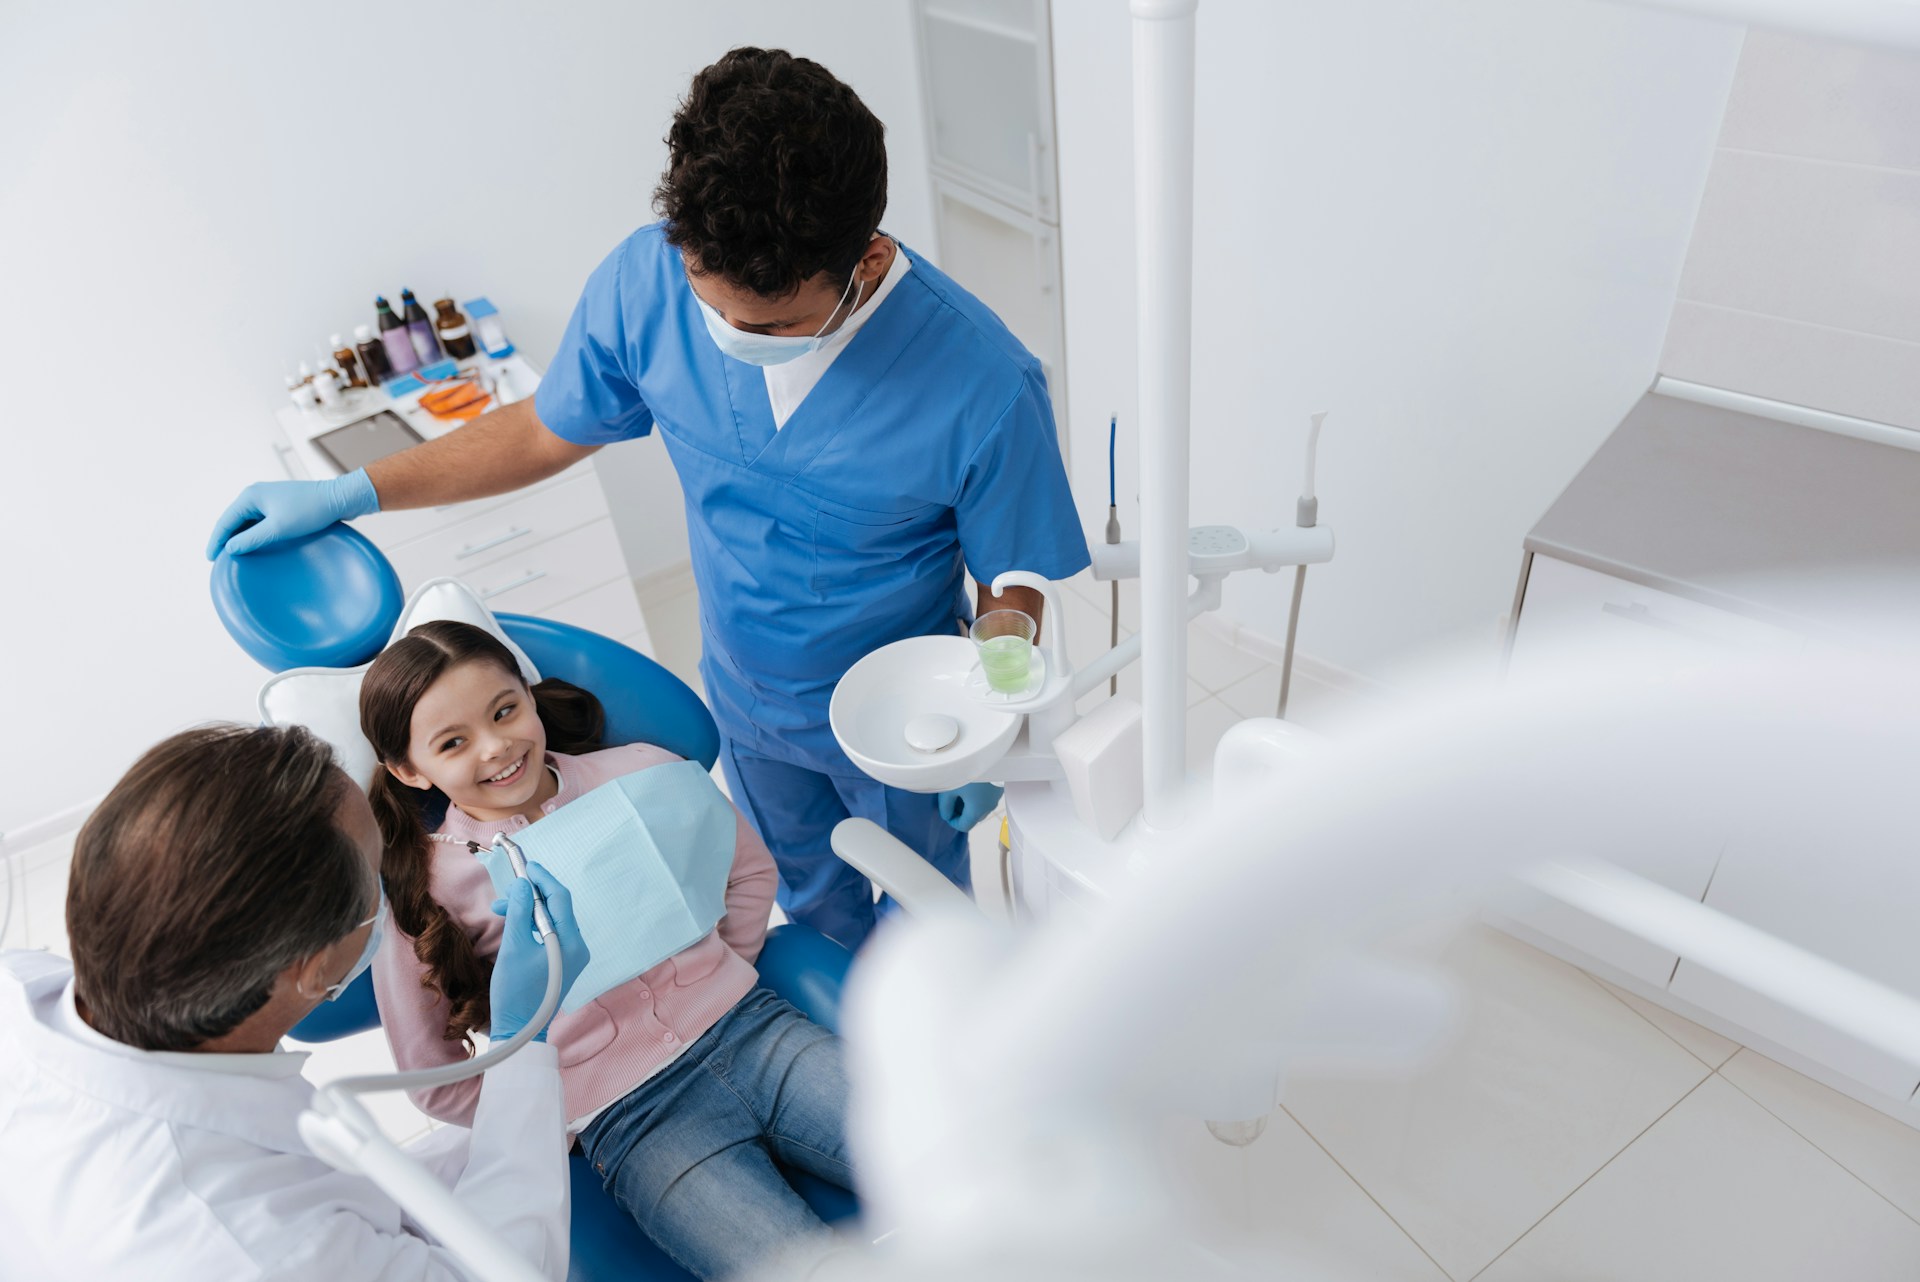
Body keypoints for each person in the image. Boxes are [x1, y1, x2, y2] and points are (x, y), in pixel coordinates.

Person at [207, 46, 1092, 948]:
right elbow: (545, 429)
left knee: (925, 933)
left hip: (903, 724)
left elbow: (1011, 580)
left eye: (772, 324)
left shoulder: (983, 383)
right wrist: (353, 491)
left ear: (864, 261)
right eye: (712, 308)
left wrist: (991, 716)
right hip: (750, 706)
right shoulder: (648, 281)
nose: (730, 338)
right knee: (807, 909)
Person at [0, 723, 591, 1280]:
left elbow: (338, 1195)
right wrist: (519, 1041)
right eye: (377, 874)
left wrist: (502, 1132)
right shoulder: (254, 1248)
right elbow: (501, 1269)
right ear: (312, 970)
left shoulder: (24, 990)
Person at [362, 619, 854, 1281]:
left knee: (965, 1152)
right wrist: (544, 1116)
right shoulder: (427, 892)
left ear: (530, 697)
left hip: (756, 1034)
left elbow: (747, 872)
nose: (496, 748)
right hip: (636, 1122)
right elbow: (431, 1075)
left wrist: (727, 969)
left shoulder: (642, 774)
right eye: (453, 742)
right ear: (408, 770)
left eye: (505, 710)